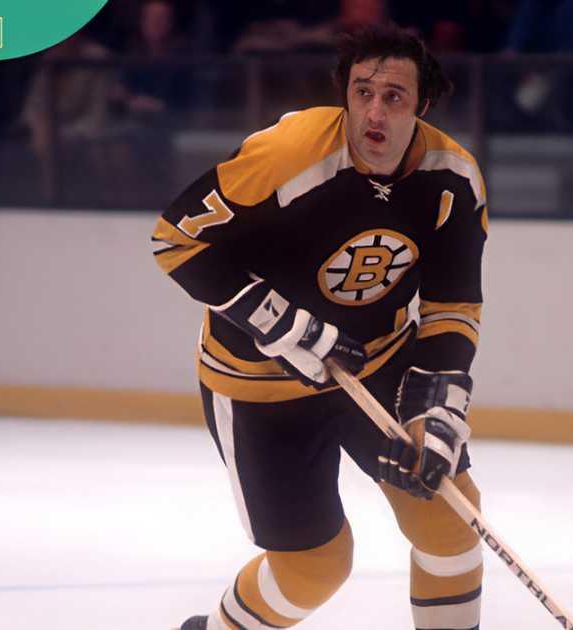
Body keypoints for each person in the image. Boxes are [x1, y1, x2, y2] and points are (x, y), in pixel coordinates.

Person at [151, 24, 489, 630]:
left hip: (377, 364)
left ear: (423, 105)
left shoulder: (452, 181)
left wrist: (435, 406)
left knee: (450, 518)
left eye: (394, 96)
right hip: (258, 386)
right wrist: (274, 322)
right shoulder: (291, 153)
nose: (374, 111)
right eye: (362, 92)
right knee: (315, 568)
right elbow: (177, 240)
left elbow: (451, 307)